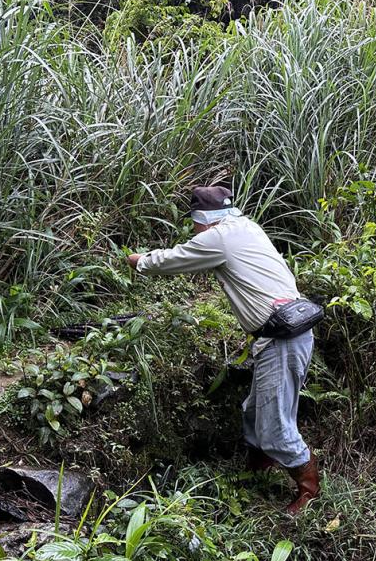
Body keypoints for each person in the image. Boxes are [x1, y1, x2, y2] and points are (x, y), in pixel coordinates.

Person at [127, 186, 320, 514]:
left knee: (274, 425)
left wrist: (139, 261)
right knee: (254, 411)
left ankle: (309, 490)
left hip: (283, 338)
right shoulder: (246, 226)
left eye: (194, 222)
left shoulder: (217, 237)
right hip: (287, 332)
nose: (194, 228)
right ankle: (259, 468)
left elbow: (173, 259)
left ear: (203, 218)